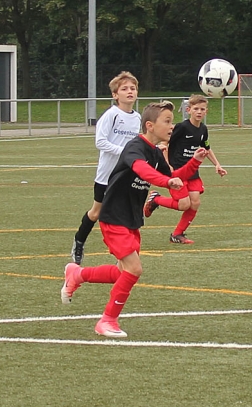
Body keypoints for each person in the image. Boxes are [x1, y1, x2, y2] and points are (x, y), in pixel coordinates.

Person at [61, 100, 207, 337]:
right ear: (150, 125)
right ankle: (107, 321)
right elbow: (142, 170)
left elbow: (175, 175)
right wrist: (166, 181)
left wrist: (195, 161)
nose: (172, 126)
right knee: (134, 269)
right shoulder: (135, 147)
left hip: (131, 219)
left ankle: (77, 274)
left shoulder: (156, 153)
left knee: (122, 272)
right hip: (113, 216)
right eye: (167, 121)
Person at [70, 72, 141, 265]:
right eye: (124, 89)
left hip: (126, 176)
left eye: (133, 88)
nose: (129, 92)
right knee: (96, 213)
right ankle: (79, 242)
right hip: (106, 176)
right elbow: (100, 142)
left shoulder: (137, 118)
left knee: (123, 213)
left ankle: (124, 254)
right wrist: (124, 152)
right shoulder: (111, 115)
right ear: (115, 95)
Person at [143, 94, 226, 244]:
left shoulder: (203, 129)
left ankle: (177, 234)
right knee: (183, 204)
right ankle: (156, 199)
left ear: (206, 111)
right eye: (196, 109)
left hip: (192, 171)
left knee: (195, 203)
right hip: (177, 172)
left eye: (202, 109)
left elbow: (206, 148)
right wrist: (167, 164)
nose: (199, 112)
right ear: (189, 110)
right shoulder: (182, 127)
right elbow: (165, 142)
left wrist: (217, 164)